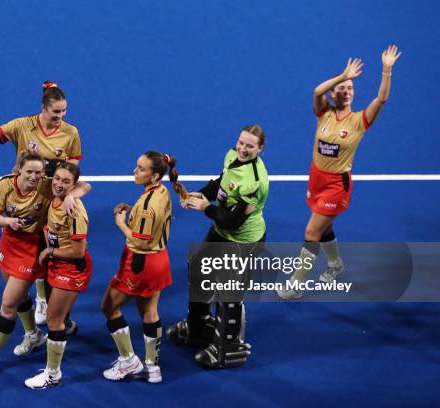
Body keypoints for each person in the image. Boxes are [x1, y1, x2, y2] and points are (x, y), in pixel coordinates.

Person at [0, 81, 82, 325]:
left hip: (52, 204)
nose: (61, 116)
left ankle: (53, 310)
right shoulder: (22, 126)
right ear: (44, 108)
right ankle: (37, 302)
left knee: (49, 253)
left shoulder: (70, 133)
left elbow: (73, 171)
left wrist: (68, 192)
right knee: (32, 247)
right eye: (56, 112)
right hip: (28, 199)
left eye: (64, 111)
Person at [276, 45, 401, 300]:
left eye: (350, 88)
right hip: (316, 178)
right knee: (324, 227)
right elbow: (317, 91)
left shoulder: (360, 120)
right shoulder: (324, 113)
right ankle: (335, 265)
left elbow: (382, 99)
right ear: (334, 93)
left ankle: (295, 286)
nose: (346, 91)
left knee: (312, 232)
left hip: (336, 185)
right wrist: (344, 76)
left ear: (354, 95)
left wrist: (386, 70)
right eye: (342, 88)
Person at [0, 152, 90, 377]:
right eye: (29, 171)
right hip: (9, 244)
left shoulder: (48, 184)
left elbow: (84, 184)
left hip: (31, 249)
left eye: (39, 172)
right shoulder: (6, 184)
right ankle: (33, 335)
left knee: (8, 305)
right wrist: (9, 221)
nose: (35, 176)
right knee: (20, 299)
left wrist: (71, 196)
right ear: (19, 169)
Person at [167, 125, 269, 369]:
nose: (243, 149)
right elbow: (222, 183)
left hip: (242, 240)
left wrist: (205, 208)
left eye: (250, 146)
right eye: (241, 143)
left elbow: (232, 221)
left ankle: (228, 348)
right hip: (221, 231)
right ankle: (199, 326)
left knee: (228, 291)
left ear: (260, 149)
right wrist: (198, 195)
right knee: (199, 269)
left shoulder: (255, 181)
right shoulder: (232, 155)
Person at [100, 152, 183, 384]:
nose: (135, 172)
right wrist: (134, 211)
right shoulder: (162, 192)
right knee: (149, 312)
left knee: (109, 307)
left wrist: (121, 223)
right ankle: (152, 367)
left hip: (140, 263)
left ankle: (128, 361)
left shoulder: (148, 206)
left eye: (141, 169)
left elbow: (141, 240)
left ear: (155, 175)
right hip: (160, 260)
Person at [24, 162, 92, 389]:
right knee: (56, 317)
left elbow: (78, 251)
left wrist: (50, 251)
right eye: (57, 179)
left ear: (72, 186)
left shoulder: (74, 210)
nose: (59, 184)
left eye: (66, 182)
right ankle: (66, 327)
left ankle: (53, 375)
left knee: (53, 319)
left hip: (70, 268)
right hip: (57, 264)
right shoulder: (56, 198)